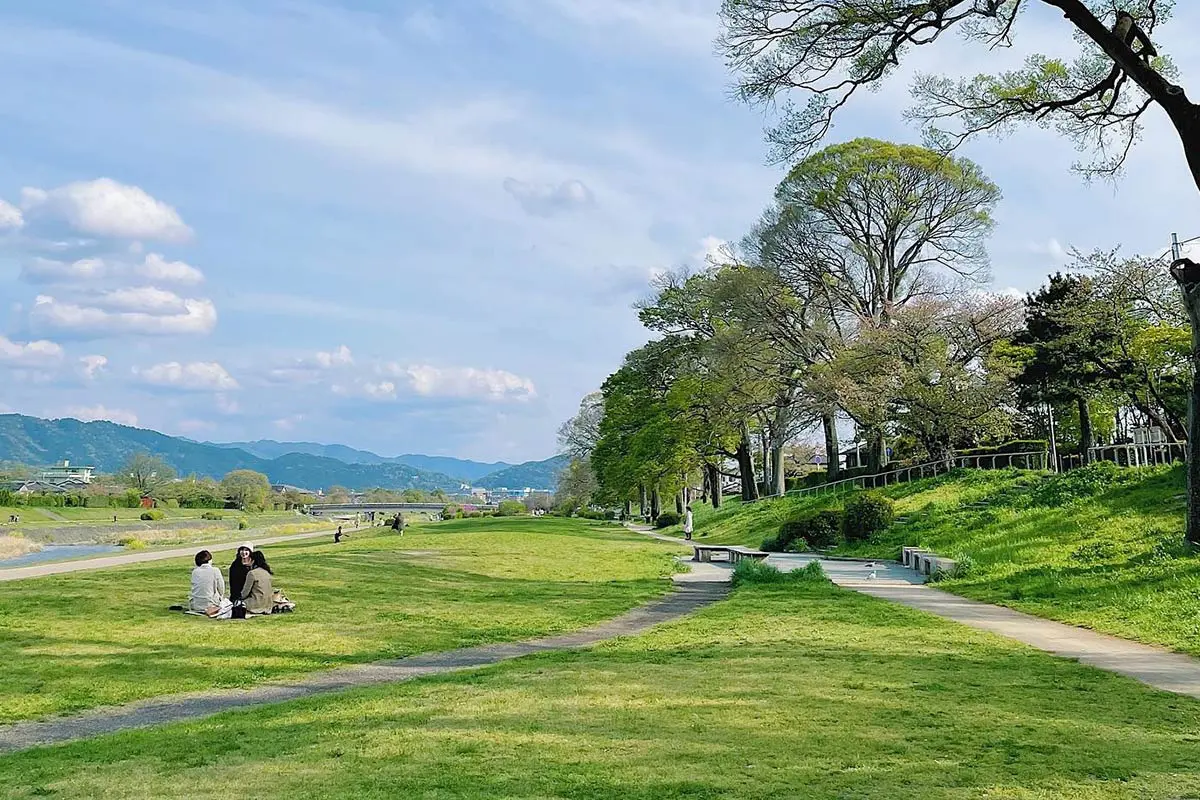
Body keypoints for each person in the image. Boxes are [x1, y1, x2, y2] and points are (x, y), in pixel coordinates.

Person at [189, 550, 232, 619]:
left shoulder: (195, 572)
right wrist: (221, 597)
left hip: (196, 605)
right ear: (210, 560)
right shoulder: (215, 570)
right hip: (211, 604)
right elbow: (221, 588)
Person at [240, 549, 275, 615]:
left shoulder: (252, 573)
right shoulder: (266, 572)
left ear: (253, 561)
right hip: (268, 604)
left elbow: (245, 593)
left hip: (257, 603)